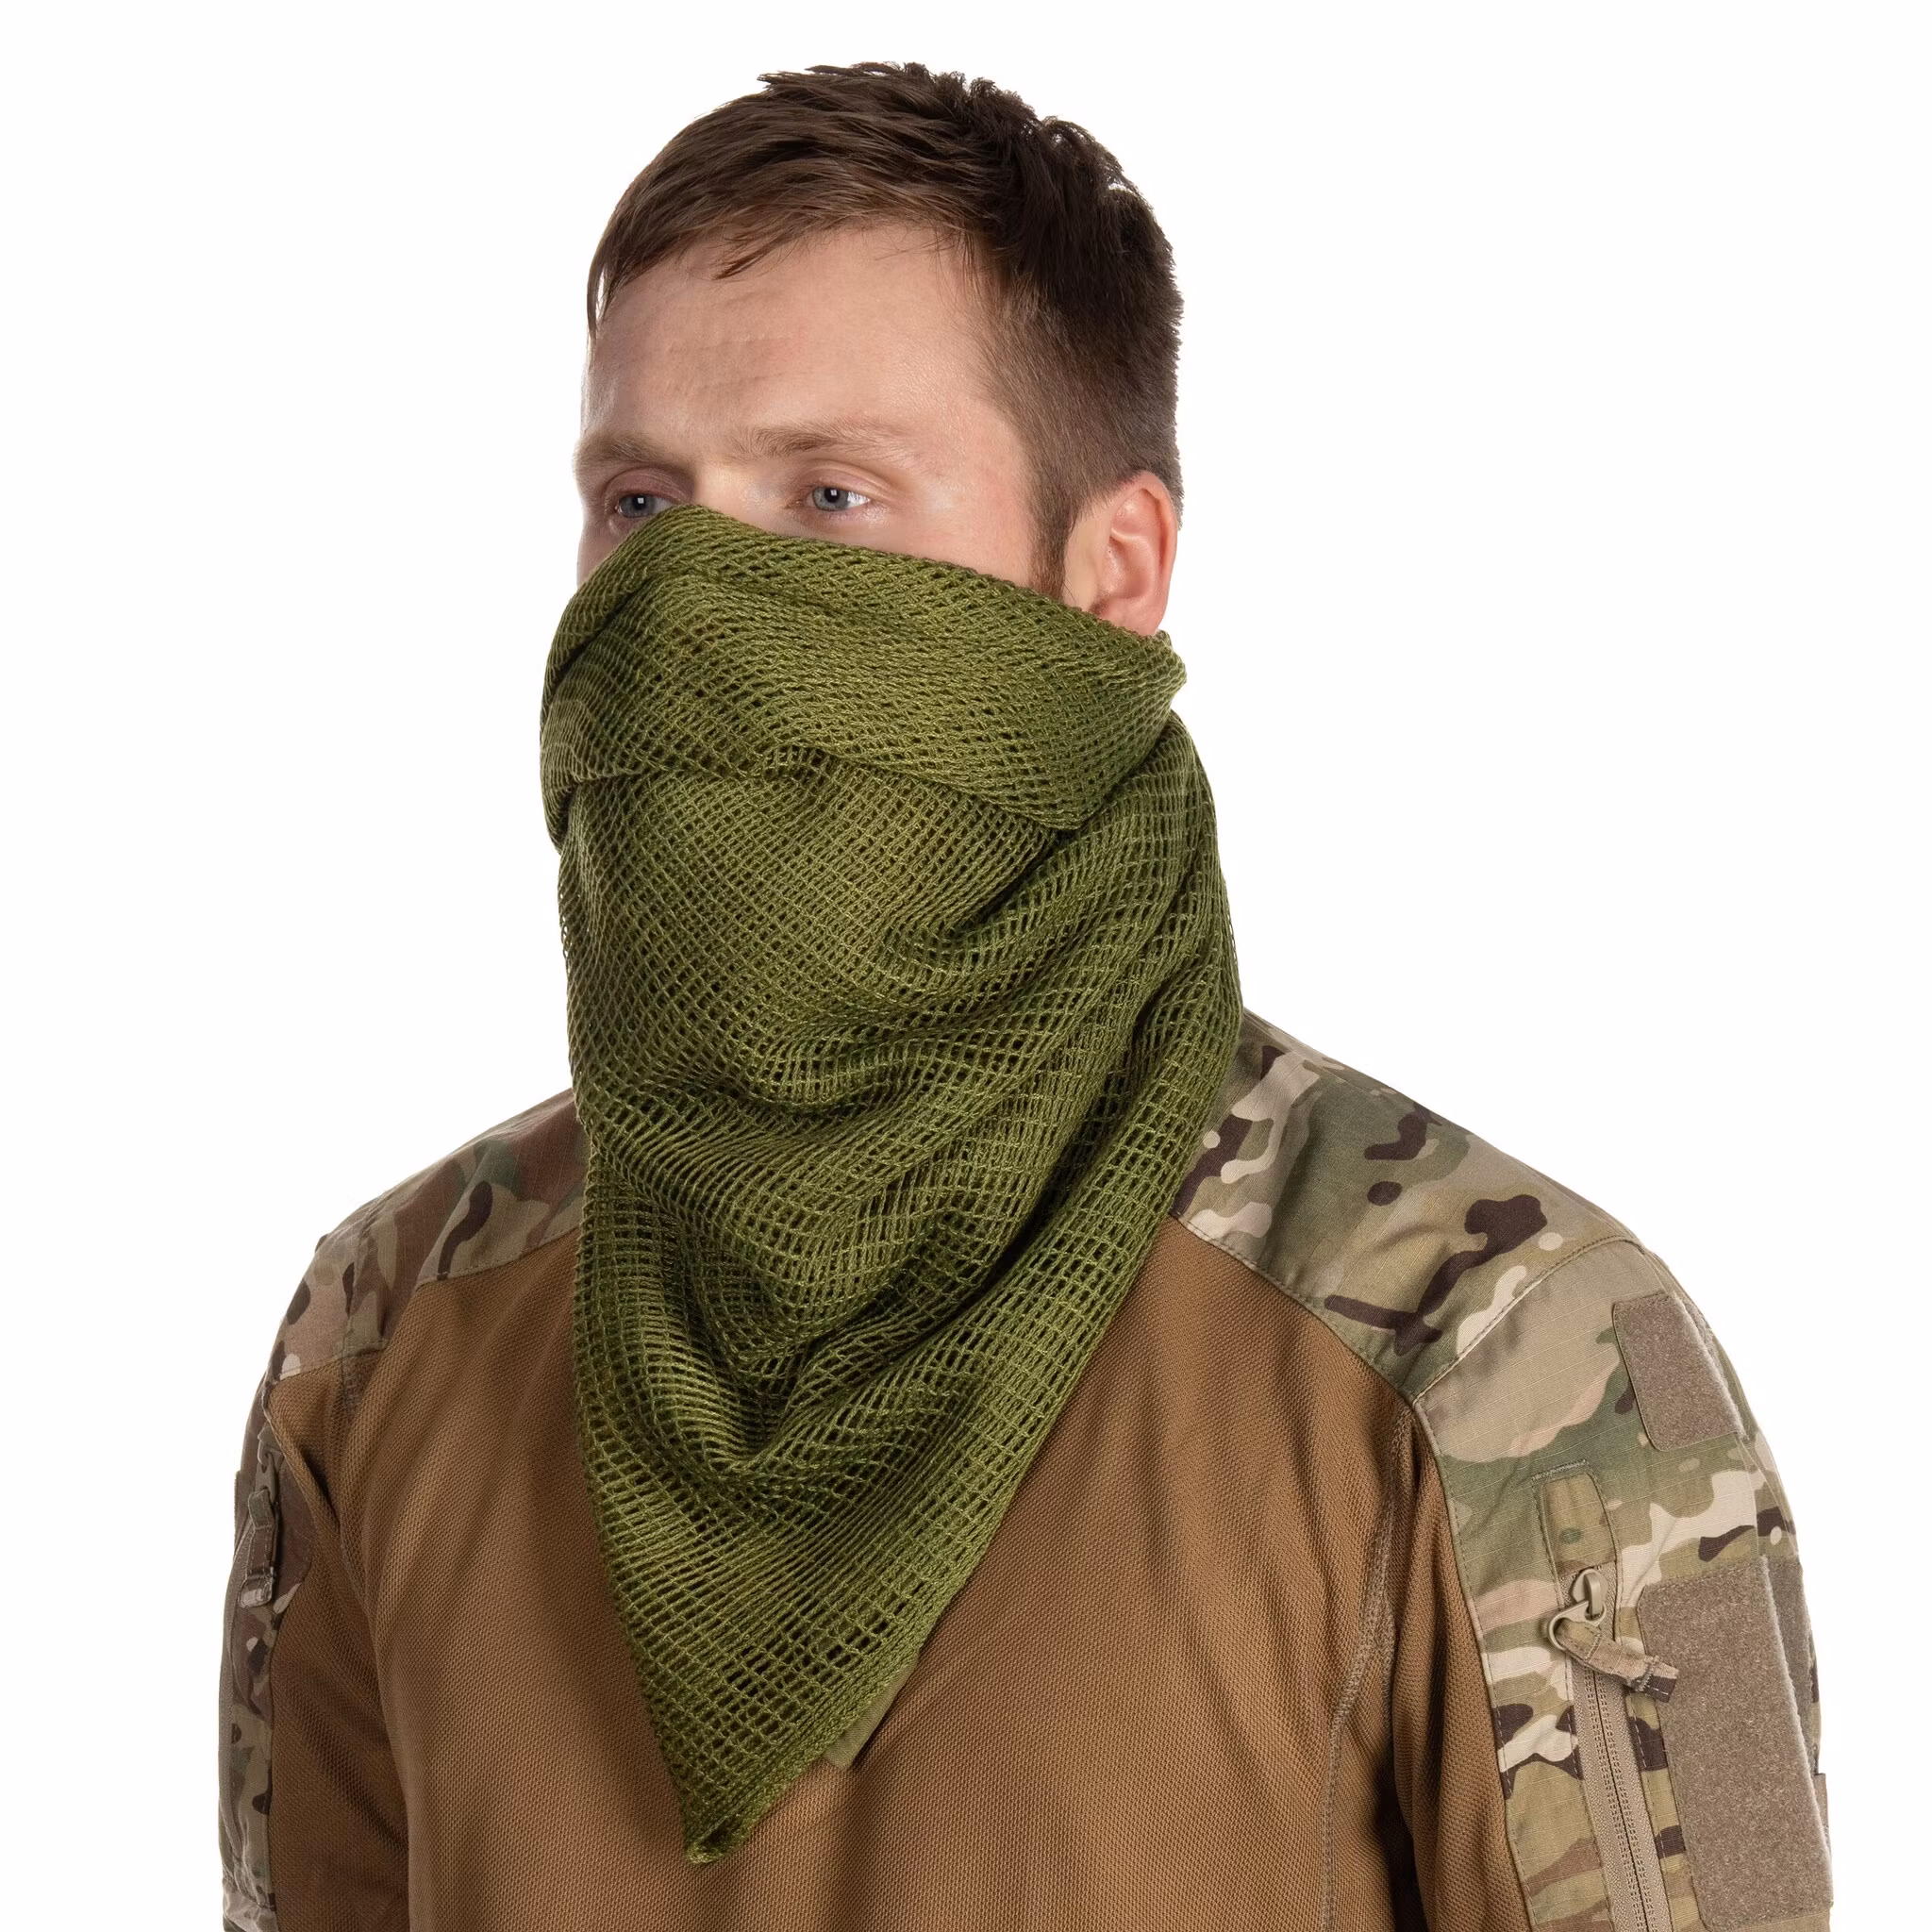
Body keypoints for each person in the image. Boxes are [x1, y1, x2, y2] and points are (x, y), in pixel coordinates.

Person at [218, 62, 1830, 1932]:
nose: (698, 609)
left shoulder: (1513, 1350)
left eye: (832, 493)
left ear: (1111, 569)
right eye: (640, 503)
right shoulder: (385, 1332)